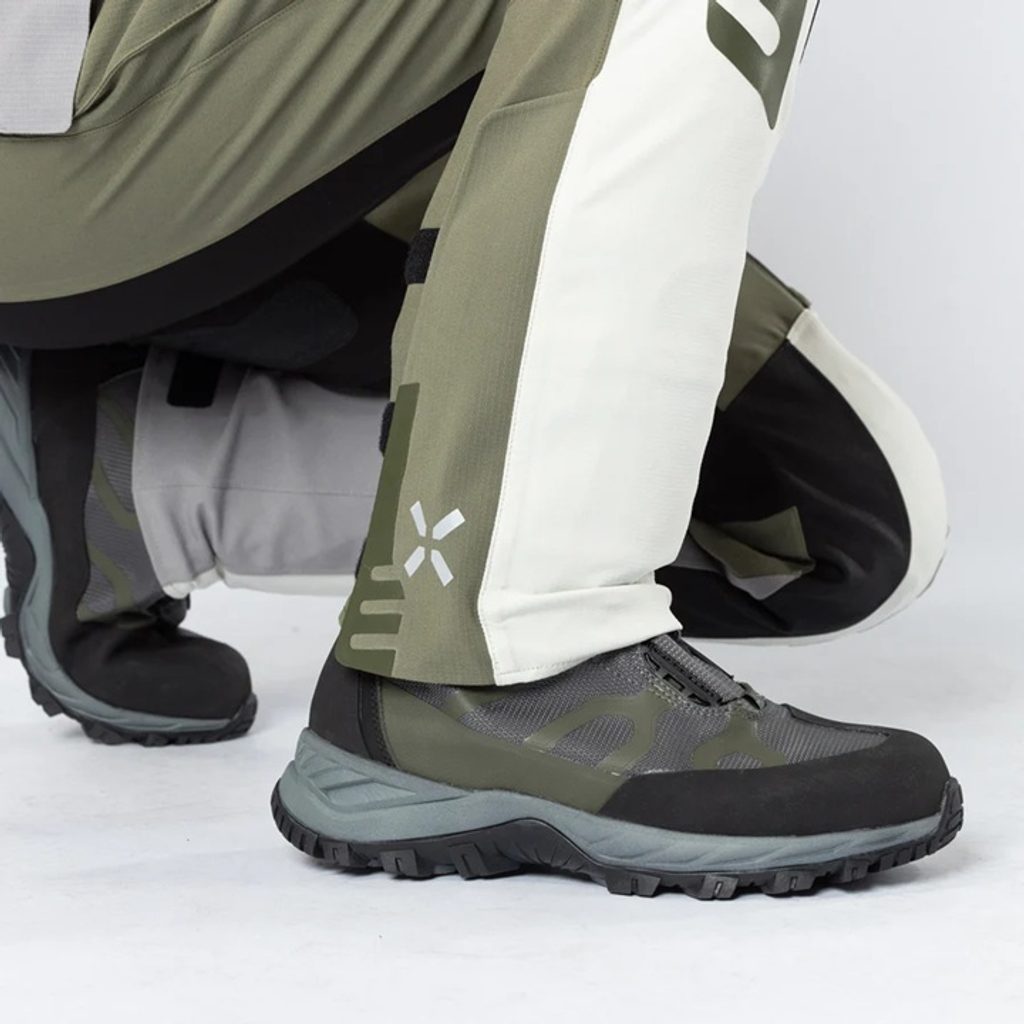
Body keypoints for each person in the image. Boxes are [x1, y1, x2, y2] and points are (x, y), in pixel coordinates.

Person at [0, 0, 961, 896]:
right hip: (47, 95)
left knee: (826, 526)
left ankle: (147, 474)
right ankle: (496, 655)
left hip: (224, 111)